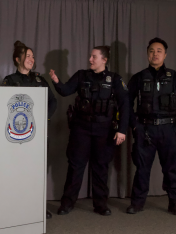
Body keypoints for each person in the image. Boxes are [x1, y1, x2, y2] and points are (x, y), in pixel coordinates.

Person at [49, 46, 129, 216]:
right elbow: (65, 91)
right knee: (75, 167)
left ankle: (101, 205)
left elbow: (125, 105)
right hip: (81, 128)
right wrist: (56, 81)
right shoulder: (81, 75)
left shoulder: (114, 79)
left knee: (100, 168)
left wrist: (122, 130)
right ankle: (67, 203)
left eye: (94, 57)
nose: (90, 59)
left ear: (104, 60)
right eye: (90, 56)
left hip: (104, 130)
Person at [126, 37, 176, 215]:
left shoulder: (175, 77)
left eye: (159, 51)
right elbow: (126, 103)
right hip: (145, 129)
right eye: (151, 51)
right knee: (142, 169)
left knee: (171, 169)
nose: (155, 54)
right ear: (147, 54)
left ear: (165, 54)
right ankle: (137, 203)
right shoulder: (139, 78)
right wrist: (134, 126)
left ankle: (174, 203)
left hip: (169, 130)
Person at [2, 41, 57, 219]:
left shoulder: (40, 80)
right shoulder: (9, 81)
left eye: (33, 56)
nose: (31, 59)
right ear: (17, 59)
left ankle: (38, 207)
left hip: (39, 134)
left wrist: (45, 118)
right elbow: (3, 107)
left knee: (38, 172)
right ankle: (16, 207)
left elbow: (52, 102)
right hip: (18, 137)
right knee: (18, 171)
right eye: (27, 56)